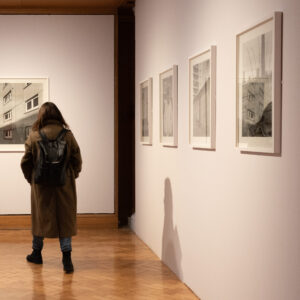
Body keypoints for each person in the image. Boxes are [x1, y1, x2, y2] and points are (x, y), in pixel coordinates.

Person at [20, 102, 82, 273]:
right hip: (64, 184)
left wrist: (31, 179)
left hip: (41, 185)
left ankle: (36, 253)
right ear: (58, 115)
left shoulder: (34, 135)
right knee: (65, 219)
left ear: (41, 116)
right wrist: (72, 175)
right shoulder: (68, 135)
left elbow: (25, 162)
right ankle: (67, 259)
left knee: (40, 217)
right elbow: (77, 160)